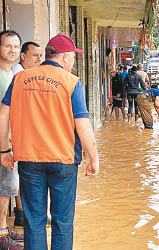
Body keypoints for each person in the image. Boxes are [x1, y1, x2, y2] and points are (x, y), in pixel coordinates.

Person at [0, 34, 99, 250]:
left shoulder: (20, 78)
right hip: (63, 161)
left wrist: (4, 150)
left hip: (29, 160)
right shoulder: (71, 82)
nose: (73, 61)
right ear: (64, 57)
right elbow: (82, 124)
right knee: (62, 221)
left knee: (34, 221)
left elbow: (3, 115)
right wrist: (94, 158)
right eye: (73, 57)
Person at [10, 41, 43, 230]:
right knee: (17, 175)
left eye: (41, 55)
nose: (39, 59)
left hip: (25, 132)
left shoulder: (27, 74)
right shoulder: (18, 74)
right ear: (23, 56)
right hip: (16, 133)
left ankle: (22, 216)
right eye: (35, 55)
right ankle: (21, 215)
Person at [0, 30, 24, 250]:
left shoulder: (10, 74)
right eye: (8, 46)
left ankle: (4, 230)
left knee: (8, 186)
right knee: (5, 187)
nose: (13, 51)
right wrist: (3, 148)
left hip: (9, 140)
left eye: (16, 47)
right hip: (2, 144)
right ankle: (1, 234)